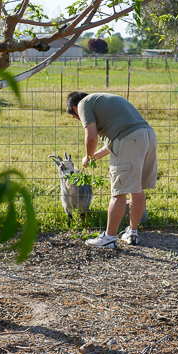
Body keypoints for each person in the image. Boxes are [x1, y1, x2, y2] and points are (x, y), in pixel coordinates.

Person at [65, 91, 157, 248]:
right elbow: (113, 142)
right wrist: (93, 158)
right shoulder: (102, 101)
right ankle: (132, 233)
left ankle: (109, 238)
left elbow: (91, 136)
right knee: (137, 189)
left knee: (118, 193)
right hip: (147, 136)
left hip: (129, 140)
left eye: (76, 117)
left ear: (75, 108)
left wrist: (88, 155)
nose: (78, 119)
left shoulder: (83, 104)